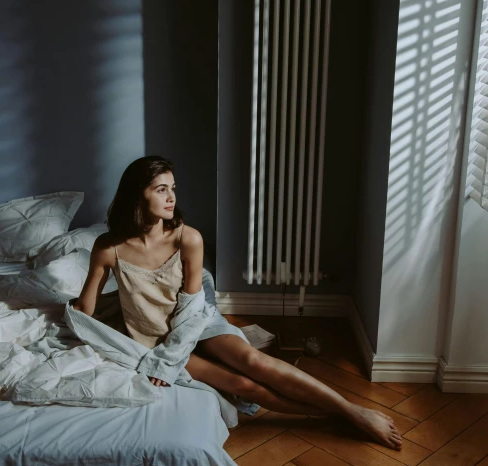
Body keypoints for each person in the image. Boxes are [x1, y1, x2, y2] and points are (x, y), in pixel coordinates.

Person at [73, 156, 403, 451]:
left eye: (173, 188)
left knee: (253, 361)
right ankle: (339, 417)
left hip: (195, 323)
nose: (171, 197)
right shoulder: (108, 247)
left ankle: (353, 411)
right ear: (138, 194)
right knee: (243, 385)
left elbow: (190, 309)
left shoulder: (188, 238)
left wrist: (168, 359)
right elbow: (85, 309)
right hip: (152, 339)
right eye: (161, 189)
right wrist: (74, 321)